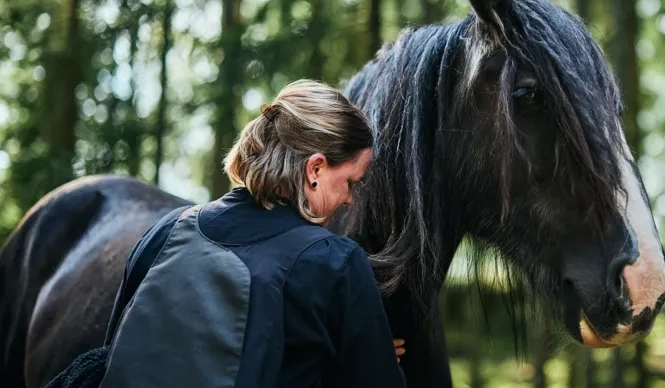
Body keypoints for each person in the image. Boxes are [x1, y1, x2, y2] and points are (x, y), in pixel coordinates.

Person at [48, 79, 406, 388]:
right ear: (315, 169)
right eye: (350, 182)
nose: (349, 199)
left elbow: (121, 359)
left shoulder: (164, 232)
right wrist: (364, 356)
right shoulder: (334, 262)